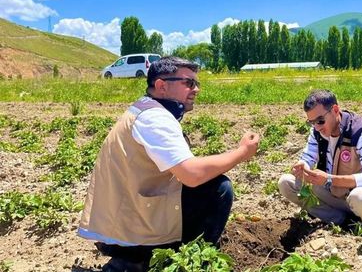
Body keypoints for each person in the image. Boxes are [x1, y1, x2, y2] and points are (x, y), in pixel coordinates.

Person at [78, 57, 260, 272]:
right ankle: (184, 262)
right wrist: (242, 152)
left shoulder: (144, 109)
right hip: (130, 233)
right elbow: (191, 174)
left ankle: (147, 258)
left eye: (197, 83)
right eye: (189, 83)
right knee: (218, 190)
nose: (196, 89)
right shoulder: (155, 118)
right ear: (161, 86)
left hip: (122, 221)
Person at [278, 89, 362, 227]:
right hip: (337, 193)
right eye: (311, 122)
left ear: (335, 109)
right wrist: (303, 166)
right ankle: (342, 221)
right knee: (286, 183)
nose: (317, 127)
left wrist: (329, 179)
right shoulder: (317, 132)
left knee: (359, 197)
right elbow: (308, 157)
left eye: (320, 121)